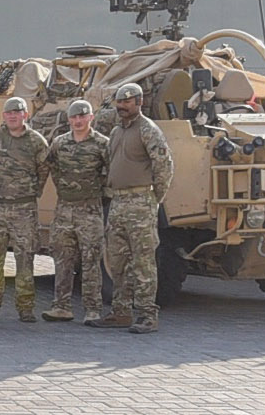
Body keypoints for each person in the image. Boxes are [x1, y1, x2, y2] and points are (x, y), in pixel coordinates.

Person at [93, 82, 174, 334]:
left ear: (139, 102)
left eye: (128, 102)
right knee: (117, 261)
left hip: (141, 203)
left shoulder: (148, 130)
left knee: (143, 262)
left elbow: (164, 166)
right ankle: (121, 312)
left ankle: (147, 315)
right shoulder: (117, 132)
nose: (122, 106)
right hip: (117, 202)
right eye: (120, 101)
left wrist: (154, 198)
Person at [0, 95, 51, 321]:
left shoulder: (36, 141)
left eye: (17, 112)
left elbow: (43, 170)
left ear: (25, 115)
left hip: (24, 209)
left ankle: (25, 307)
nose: (13, 116)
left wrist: (30, 192)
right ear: (4, 116)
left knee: (25, 259)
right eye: (9, 113)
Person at [44, 99, 111, 322]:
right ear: (69, 119)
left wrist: (97, 190)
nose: (78, 121)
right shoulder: (60, 143)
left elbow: (111, 172)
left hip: (90, 210)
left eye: (82, 116)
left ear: (91, 117)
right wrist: (66, 189)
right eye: (74, 117)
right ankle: (61, 306)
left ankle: (92, 309)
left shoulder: (102, 144)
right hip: (65, 209)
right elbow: (52, 168)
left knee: (91, 260)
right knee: (62, 259)